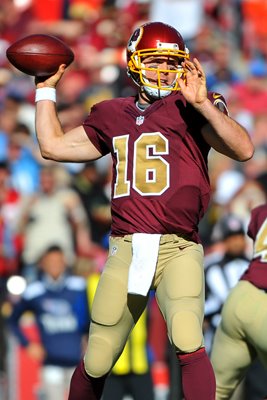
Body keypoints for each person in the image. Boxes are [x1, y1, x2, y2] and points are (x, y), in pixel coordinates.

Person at [33, 21, 254, 400]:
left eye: (172, 64)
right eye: (156, 62)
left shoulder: (194, 105)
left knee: (188, 337)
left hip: (179, 247)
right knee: (99, 358)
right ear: (135, 62)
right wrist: (45, 90)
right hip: (127, 248)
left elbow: (243, 148)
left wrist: (204, 105)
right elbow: (53, 146)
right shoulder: (111, 114)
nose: (165, 71)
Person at [7, 244, 90, 400]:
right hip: (51, 364)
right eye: (50, 261)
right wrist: (28, 344)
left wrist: (88, 339)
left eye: (58, 261)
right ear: (42, 264)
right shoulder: (34, 291)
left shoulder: (79, 287)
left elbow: (91, 318)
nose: (54, 265)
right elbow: (12, 320)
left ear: (64, 262)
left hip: (78, 364)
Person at [210, 203, 267, 400]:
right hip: (264, 303)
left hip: (241, 295)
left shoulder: (261, 211)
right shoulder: (215, 266)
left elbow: (254, 224)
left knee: (212, 392)